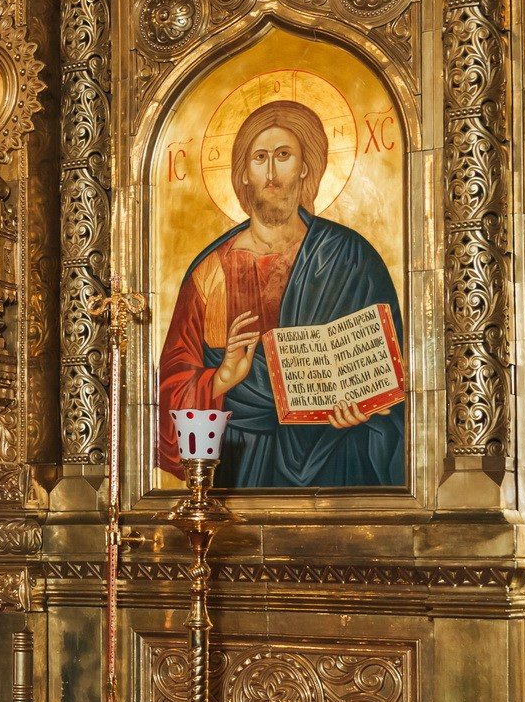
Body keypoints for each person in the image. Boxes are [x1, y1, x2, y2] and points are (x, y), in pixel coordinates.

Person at [155, 99, 405, 487]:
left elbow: (392, 380)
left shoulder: (350, 257)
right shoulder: (210, 272)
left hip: (336, 459)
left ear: (305, 166)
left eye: (283, 156)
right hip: (239, 466)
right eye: (259, 158)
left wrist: (367, 409)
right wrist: (222, 378)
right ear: (243, 174)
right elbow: (172, 388)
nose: (271, 173)